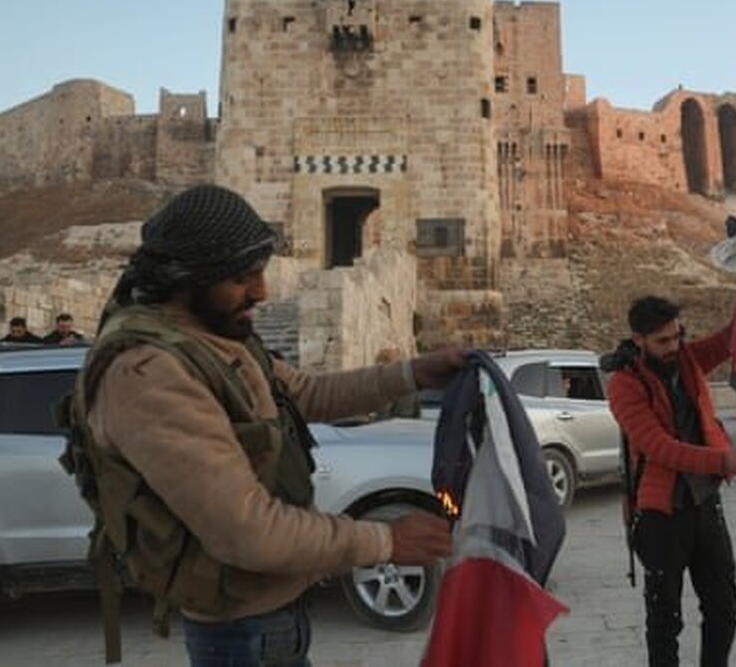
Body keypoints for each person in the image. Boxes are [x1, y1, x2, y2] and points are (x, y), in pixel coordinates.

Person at [73, 185, 456, 666]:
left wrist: (414, 373)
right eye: (241, 277)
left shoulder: (214, 336)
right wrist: (385, 541)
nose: (262, 291)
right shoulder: (149, 373)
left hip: (272, 617)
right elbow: (246, 531)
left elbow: (306, 394)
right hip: (240, 634)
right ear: (188, 279)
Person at [607, 295, 736, 667]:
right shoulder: (623, 385)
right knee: (665, 620)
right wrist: (724, 458)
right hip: (661, 514)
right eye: (662, 341)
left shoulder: (688, 358)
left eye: (677, 336)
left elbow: (734, 335)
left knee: (723, 608)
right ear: (638, 339)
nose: (673, 346)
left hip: (706, 504)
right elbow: (660, 448)